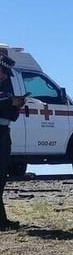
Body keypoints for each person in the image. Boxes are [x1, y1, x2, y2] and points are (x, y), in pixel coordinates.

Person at [0, 55, 25, 230]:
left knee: (2, 176)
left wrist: (16, 105)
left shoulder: (5, 85)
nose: (4, 76)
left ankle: (2, 220)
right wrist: (9, 101)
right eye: (2, 72)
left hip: (3, 131)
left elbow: (12, 115)